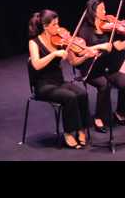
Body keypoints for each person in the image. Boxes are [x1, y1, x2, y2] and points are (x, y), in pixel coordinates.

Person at [28, 9, 94, 149]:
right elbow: (36, 65)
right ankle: (69, 132)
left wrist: (86, 55)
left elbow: (74, 62)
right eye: (54, 25)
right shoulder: (34, 42)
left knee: (82, 93)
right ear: (45, 27)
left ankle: (81, 128)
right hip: (43, 85)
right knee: (69, 97)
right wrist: (54, 54)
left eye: (58, 24)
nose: (58, 28)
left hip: (59, 82)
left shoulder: (61, 41)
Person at [77, 0, 125, 133]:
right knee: (104, 85)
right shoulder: (85, 30)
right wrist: (99, 46)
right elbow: (82, 50)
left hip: (108, 64)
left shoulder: (107, 27)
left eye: (104, 8)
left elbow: (118, 47)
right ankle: (99, 118)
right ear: (93, 12)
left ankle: (119, 112)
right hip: (91, 67)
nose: (105, 12)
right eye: (101, 9)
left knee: (124, 84)